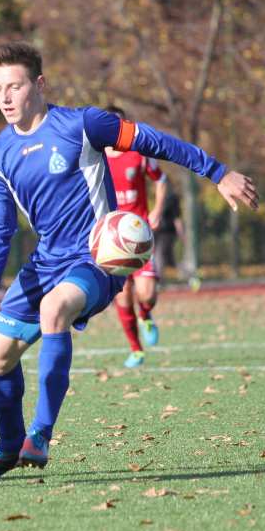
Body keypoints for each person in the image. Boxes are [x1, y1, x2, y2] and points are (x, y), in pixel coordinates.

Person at [0, 42, 257, 480]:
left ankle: (40, 435)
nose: (5, 97)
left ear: (39, 85)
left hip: (97, 259)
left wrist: (218, 173)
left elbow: (153, 141)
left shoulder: (83, 124)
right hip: (45, 261)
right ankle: (9, 448)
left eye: (15, 86)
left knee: (54, 308)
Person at [104, 105, 167, 368]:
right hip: (111, 239)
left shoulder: (138, 153)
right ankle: (136, 350)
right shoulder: (94, 158)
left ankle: (146, 313)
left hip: (140, 236)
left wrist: (157, 210)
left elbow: (161, 179)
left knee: (146, 293)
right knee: (122, 295)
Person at [152, 188, 201, 292]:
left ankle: (158, 284)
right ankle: (191, 277)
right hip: (156, 233)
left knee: (159, 257)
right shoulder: (156, 197)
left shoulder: (172, 198)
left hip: (167, 233)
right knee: (171, 261)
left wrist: (182, 234)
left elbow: (177, 218)